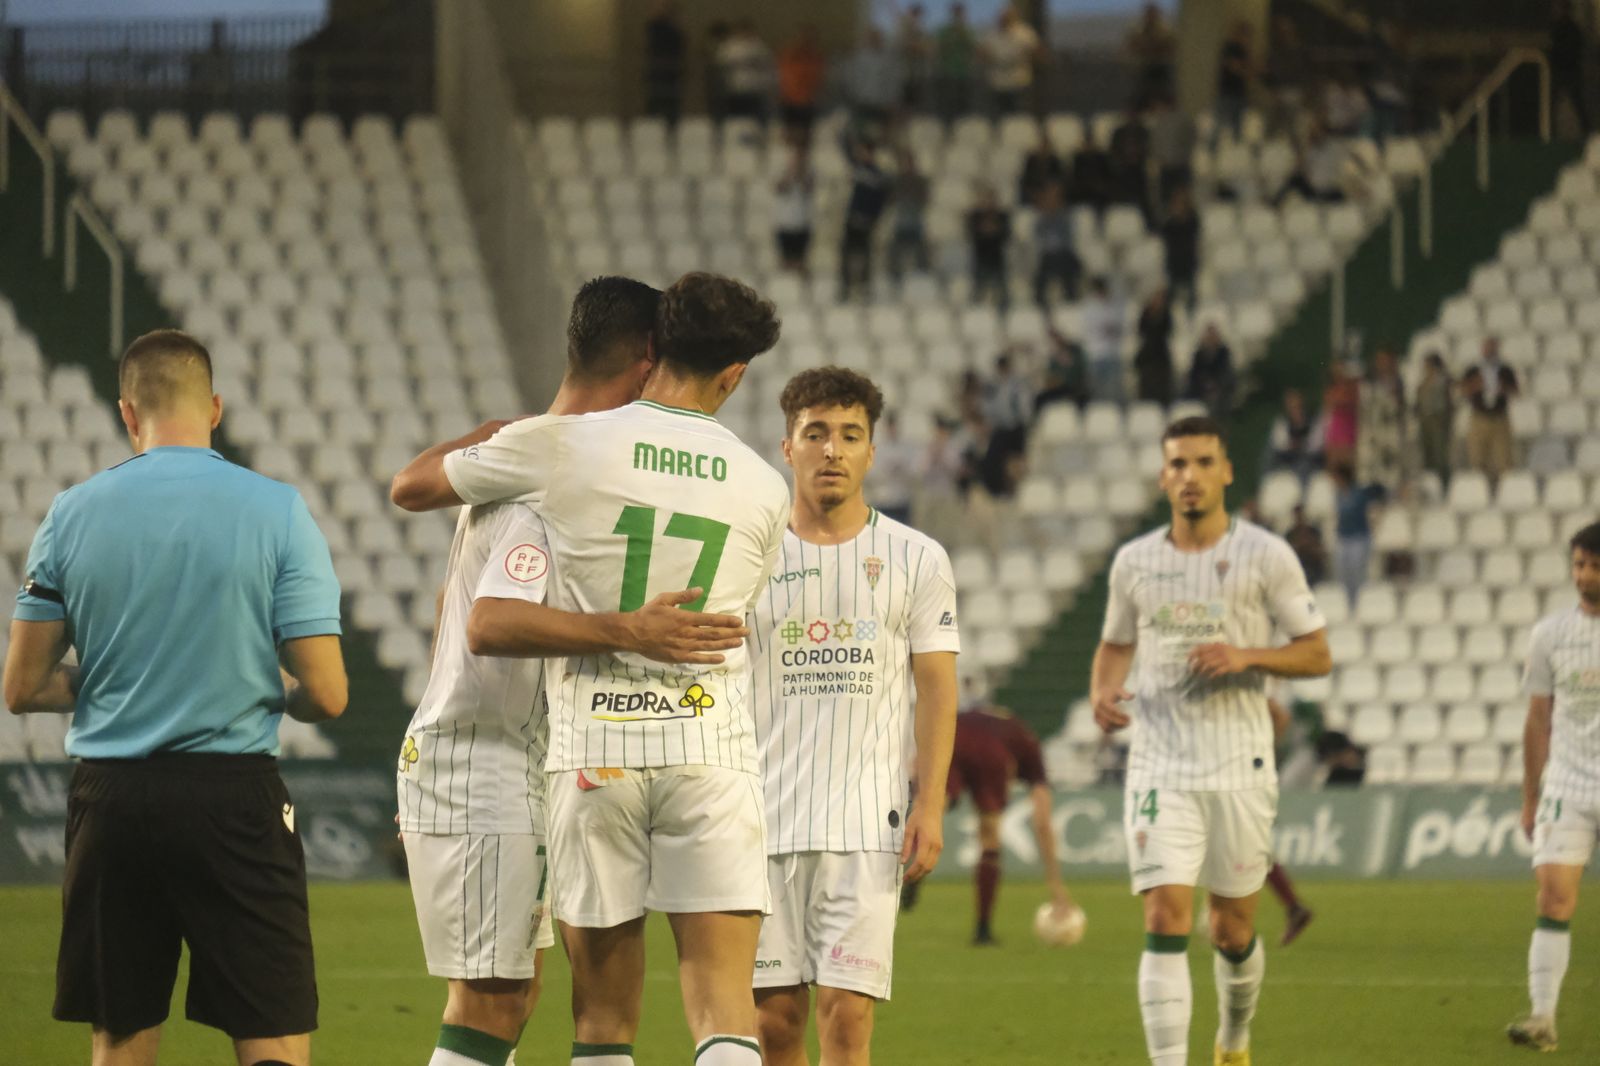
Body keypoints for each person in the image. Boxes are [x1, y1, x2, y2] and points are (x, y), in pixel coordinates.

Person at [392, 272, 789, 1066]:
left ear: (658, 352)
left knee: (594, 1019)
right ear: (734, 373)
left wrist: (503, 435)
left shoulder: (557, 451)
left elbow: (411, 488)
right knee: (721, 1005)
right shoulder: (762, 483)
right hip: (698, 746)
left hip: (590, 751)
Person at [4, 328, 347, 1066]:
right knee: (273, 1036)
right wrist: (273, 689)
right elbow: (327, 692)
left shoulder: (70, 513)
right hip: (233, 802)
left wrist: (123, 680)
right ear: (215, 407)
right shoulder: (278, 510)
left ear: (129, 413)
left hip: (112, 801)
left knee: (121, 1039)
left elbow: (22, 687)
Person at [1091, 415, 1330, 1066]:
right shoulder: (1135, 561)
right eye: (1176, 464)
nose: (1188, 476)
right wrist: (1101, 691)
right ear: (1162, 475)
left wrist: (1248, 655)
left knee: (1231, 929)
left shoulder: (1266, 555)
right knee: (1165, 917)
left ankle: (1234, 1038)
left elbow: (1316, 655)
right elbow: (1114, 645)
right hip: (1160, 763)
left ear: (1226, 471)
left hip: (1240, 763)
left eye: (1201, 462)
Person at [748, 367, 960, 1066]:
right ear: (787, 448)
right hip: (759, 823)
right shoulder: (748, 557)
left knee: (846, 1021)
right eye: (816, 434)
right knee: (774, 1026)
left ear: (872, 451)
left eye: (849, 435)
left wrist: (929, 804)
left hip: (866, 827)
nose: (831, 450)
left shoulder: (917, 557)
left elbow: (936, 688)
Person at [1507, 520, 1600, 1053]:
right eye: (1578, 564)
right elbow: (1537, 718)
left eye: (1593, 565)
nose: (1583, 575)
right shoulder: (1550, 634)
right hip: (1568, 783)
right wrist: (1531, 793)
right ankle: (1543, 1017)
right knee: (1554, 894)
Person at [936, 703, 1078, 944]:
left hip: (951, 734)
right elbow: (1043, 822)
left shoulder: (1010, 731)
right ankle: (982, 930)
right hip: (992, 750)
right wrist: (1056, 887)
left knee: (937, 802)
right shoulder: (1030, 749)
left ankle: (914, 864)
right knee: (990, 835)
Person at [1461, 337, 1519, 486]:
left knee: (1503, 458)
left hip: (1499, 417)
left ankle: (1504, 488)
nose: (1489, 351)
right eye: (1487, 348)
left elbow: (1516, 391)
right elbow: (1463, 390)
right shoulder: (1473, 370)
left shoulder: (1505, 370)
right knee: (1477, 457)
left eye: (1492, 348)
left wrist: (1502, 389)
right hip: (1479, 417)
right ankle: (1481, 489)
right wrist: (1477, 386)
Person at [1355, 345, 1411, 495]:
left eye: (1386, 360)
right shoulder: (1370, 384)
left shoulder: (1400, 382)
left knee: (1393, 477)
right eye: (1380, 360)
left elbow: (1401, 409)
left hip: (1392, 437)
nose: (1383, 364)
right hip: (1373, 438)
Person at [840, 139, 891, 301]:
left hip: (867, 221)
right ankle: (846, 285)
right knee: (847, 252)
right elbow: (846, 150)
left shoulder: (877, 174)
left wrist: (874, 217)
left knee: (865, 254)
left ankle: (864, 286)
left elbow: (882, 199)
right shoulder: (858, 168)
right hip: (853, 218)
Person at [1331, 463, 1382, 608]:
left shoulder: (1359, 493)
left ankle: (1359, 601)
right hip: (1343, 537)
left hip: (1358, 537)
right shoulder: (1338, 495)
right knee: (1342, 572)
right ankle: (1346, 602)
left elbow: (1377, 494)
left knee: (1357, 570)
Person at [983, 6, 1042, 116]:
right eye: (1002, 18)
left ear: (1014, 18)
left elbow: (1038, 52)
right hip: (998, 83)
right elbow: (982, 54)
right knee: (1000, 115)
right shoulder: (991, 35)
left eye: (1007, 17)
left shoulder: (1025, 33)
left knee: (1020, 115)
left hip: (1019, 82)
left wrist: (1025, 56)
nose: (1004, 20)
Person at [1033, 180, 1080, 308]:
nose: (1051, 201)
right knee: (1039, 274)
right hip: (1048, 255)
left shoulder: (1065, 218)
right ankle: (1039, 304)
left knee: (1069, 268)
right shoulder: (1042, 219)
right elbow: (1038, 237)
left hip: (1063, 254)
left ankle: (1071, 302)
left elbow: (1068, 240)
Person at [888, 147, 932, 282]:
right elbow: (892, 199)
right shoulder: (897, 181)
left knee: (921, 247)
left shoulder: (920, 181)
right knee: (894, 249)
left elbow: (923, 199)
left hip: (915, 221)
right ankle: (895, 276)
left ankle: (924, 274)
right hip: (902, 221)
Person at [865, 410, 917, 525]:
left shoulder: (906, 448)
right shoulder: (877, 449)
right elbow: (870, 474)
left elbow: (914, 472)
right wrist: (887, 470)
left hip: (901, 500)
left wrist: (901, 469)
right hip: (883, 500)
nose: (892, 429)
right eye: (890, 426)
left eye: (894, 425)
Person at [776, 24, 826, 142]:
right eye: (804, 38)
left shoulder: (816, 59)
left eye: (810, 39)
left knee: (805, 136)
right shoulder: (789, 56)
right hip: (790, 100)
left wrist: (816, 95)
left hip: (808, 102)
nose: (806, 42)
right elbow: (782, 77)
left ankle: (802, 157)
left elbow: (819, 80)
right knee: (790, 136)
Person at [966, 182, 1011, 310]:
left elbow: (1005, 235)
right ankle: (975, 316)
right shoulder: (975, 216)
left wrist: (990, 230)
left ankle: (1004, 316)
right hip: (981, 258)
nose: (988, 202)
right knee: (977, 293)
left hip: (997, 258)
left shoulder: (1002, 216)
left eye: (991, 198)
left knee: (1003, 294)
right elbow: (973, 235)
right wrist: (991, 230)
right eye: (986, 198)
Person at [1550, 0, 1591, 135]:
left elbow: (1571, 50)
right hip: (1563, 70)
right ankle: (1550, 133)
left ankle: (1588, 133)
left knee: (1577, 103)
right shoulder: (1558, 27)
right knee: (1553, 103)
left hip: (1569, 70)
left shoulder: (1570, 28)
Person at [1082, 276, 1126, 403]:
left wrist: (1110, 328)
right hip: (1096, 354)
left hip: (1113, 353)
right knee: (1097, 391)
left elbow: (1120, 328)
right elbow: (1090, 328)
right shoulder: (1089, 307)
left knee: (1114, 390)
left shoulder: (1115, 306)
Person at [718, 22, 774, 121]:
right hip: (735, 90)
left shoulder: (757, 46)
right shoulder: (730, 46)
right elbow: (722, 63)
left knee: (755, 119)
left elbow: (767, 64)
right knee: (736, 120)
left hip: (754, 90)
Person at [1266, 388, 1324, 483]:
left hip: (1310, 459)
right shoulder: (1283, 422)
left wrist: (1301, 445)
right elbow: (1280, 444)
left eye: (1297, 405)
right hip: (1288, 458)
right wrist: (1291, 446)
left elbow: (1316, 445)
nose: (1295, 409)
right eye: (1291, 406)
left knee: (1304, 464)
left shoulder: (1314, 419)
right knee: (1269, 454)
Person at [1414, 351, 1454, 488]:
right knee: (1427, 455)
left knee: (1440, 456)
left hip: (1438, 420)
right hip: (1425, 421)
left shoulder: (1443, 380)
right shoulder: (1424, 381)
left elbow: (1448, 402)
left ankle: (1444, 484)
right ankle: (1430, 485)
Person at [644, 1, 687, 124]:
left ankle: (671, 124)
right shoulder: (654, 28)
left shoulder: (674, 30)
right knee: (655, 101)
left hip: (671, 72)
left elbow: (679, 47)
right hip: (658, 71)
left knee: (671, 103)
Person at [774, 147, 815, 275]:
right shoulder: (781, 172)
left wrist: (799, 173)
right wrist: (790, 174)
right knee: (785, 265)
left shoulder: (809, 174)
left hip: (801, 224)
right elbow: (780, 188)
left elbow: (808, 188)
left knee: (800, 264)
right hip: (785, 224)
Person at [934, 2, 978, 120]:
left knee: (964, 102)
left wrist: (962, 34)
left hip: (965, 71)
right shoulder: (944, 31)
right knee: (948, 102)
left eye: (960, 13)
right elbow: (939, 49)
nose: (957, 15)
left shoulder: (968, 31)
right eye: (955, 13)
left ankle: (964, 125)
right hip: (947, 71)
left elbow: (974, 49)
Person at [1160, 185, 1200, 311]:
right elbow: (1165, 233)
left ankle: (1192, 316)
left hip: (1188, 261)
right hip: (1173, 262)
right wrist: (1174, 217)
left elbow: (1194, 232)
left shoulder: (1192, 219)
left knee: (1191, 296)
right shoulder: (1169, 222)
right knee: (1171, 296)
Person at [1124, 2, 1176, 99]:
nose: (1150, 17)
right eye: (1148, 14)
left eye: (1153, 14)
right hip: (1144, 66)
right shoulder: (1139, 30)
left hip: (1161, 66)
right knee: (1141, 92)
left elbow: (1171, 47)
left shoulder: (1165, 30)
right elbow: (1131, 46)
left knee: (1164, 92)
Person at [1214, 20, 1254, 145]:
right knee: (1219, 126)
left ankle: (1235, 153)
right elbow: (1233, 67)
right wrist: (1245, 70)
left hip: (1239, 93)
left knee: (1238, 128)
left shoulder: (1244, 51)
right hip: (1227, 93)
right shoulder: (1229, 47)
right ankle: (1211, 155)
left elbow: (1249, 70)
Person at [1185, 323, 1236, 417]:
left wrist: (1216, 385)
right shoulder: (1199, 355)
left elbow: (1226, 373)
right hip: (1201, 391)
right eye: (1209, 336)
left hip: (1220, 390)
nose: (1211, 339)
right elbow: (1194, 375)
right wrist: (1205, 384)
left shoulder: (1224, 353)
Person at [1135, 287, 1174, 407]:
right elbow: (1141, 330)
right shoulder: (1145, 314)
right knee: (1146, 392)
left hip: (1161, 359)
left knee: (1162, 391)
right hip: (1148, 359)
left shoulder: (1166, 316)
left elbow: (1168, 331)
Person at [1018, 125, 1068, 208]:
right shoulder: (1032, 160)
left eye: (1046, 145)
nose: (1044, 148)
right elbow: (1026, 180)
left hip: (1051, 195)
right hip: (1034, 194)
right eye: (1042, 145)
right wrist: (1037, 195)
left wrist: (1050, 193)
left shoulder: (1054, 160)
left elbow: (1059, 179)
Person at [1283, 505, 1328, 587]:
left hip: (1313, 568)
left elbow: (1321, 551)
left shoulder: (1313, 532)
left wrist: (1309, 546)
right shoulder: (1290, 534)